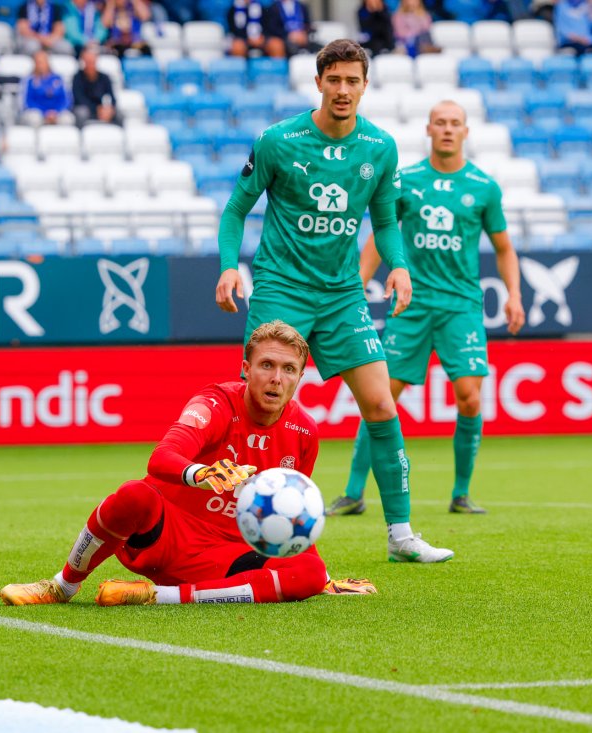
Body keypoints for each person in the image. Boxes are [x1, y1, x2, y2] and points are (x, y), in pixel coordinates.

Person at [215, 39, 454, 563]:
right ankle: (236, 533)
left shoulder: (380, 147)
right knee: (261, 406)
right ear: (318, 82)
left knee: (381, 405)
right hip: (282, 288)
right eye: (334, 80)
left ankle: (401, 536)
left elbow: (386, 223)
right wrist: (230, 265)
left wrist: (399, 266)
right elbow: (235, 210)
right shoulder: (278, 140)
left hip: (343, 294)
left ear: (365, 86)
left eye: (352, 81)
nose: (343, 90)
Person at [0, 320, 376, 607]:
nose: (277, 379)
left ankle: (156, 596)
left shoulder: (304, 431)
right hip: (163, 539)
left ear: (300, 376)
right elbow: (161, 458)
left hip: (226, 558)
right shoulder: (215, 404)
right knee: (134, 494)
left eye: (289, 369)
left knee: (308, 572)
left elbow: (293, 517)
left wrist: (322, 580)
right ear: (246, 369)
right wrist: (201, 474)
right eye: (267, 365)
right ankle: (61, 586)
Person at [328, 101, 525, 517]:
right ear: (428, 129)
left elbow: (504, 248)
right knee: (381, 396)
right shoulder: (409, 180)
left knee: (469, 398)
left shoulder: (484, 187)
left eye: (455, 124)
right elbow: (381, 231)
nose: (448, 129)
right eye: (440, 123)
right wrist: (359, 281)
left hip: (461, 307)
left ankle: (461, 494)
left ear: (466, 132)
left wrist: (514, 294)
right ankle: (353, 492)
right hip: (411, 305)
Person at [21, 50, 75, 126]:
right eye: (38, 62)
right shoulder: (29, 80)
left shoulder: (58, 79)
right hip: (38, 113)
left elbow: (66, 100)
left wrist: (56, 112)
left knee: (67, 119)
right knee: (34, 118)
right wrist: (44, 112)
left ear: (48, 62)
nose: (40, 65)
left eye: (43, 62)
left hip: (57, 113)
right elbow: (28, 102)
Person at [71, 45, 119, 127]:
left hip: (103, 109)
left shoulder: (105, 77)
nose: (90, 64)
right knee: (81, 112)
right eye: (88, 61)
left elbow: (112, 97)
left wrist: (109, 108)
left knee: (119, 113)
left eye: (92, 61)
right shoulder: (77, 78)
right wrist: (97, 109)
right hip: (87, 109)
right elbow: (79, 99)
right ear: (83, 62)